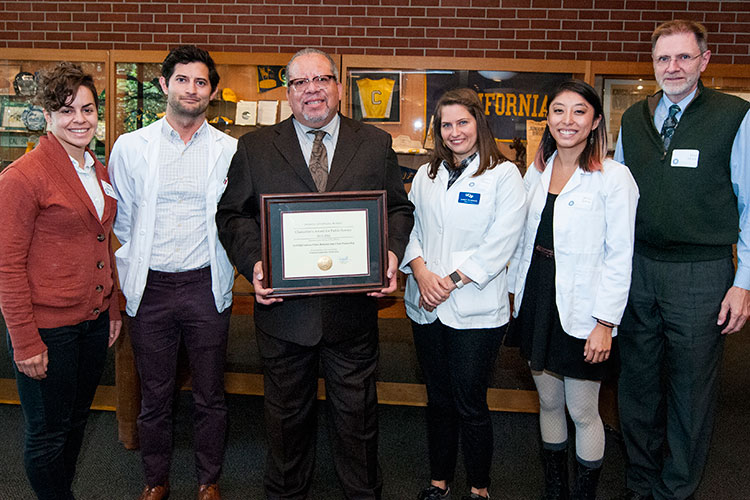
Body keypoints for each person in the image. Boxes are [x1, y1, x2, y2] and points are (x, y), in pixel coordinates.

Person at [216, 48, 414, 500]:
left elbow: (399, 209)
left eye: (322, 79)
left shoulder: (375, 143)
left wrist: (389, 252)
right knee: (285, 425)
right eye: (301, 83)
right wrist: (255, 265)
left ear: (339, 87)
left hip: (352, 314)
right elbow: (233, 216)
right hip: (284, 314)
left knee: (359, 422)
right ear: (288, 92)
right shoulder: (255, 146)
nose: (312, 90)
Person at [612, 20, 750, 500]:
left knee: (691, 392)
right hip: (639, 268)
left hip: (702, 272)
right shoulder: (633, 118)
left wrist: (744, 282)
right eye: (663, 59)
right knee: (637, 385)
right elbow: (618, 196)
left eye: (683, 57)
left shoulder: (735, 115)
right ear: (652, 65)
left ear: (704, 61)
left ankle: (676, 490)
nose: (672, 67)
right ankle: (641, 481)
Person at [109, 45, 237, 500]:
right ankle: (155, 480)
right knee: (155, 395)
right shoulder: (131, 147)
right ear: (165, 85)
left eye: (201, 82)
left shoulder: (230, 150)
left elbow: (234, 216)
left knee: (210, 394)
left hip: (205, 284)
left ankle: (208, 481)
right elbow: (122, 218)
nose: (191, 89)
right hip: (153, 287)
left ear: (212, 91)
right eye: (182, 79)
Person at [508, 80, 639, 500]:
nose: (568, 120)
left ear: (596, 120)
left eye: (579, 111)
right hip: (537, 298)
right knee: (548, 404)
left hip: (584, 307)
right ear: (548, 119)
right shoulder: (537, 169)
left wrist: (605, 323)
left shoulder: (615, 178)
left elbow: (620, 256)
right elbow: (522, 238)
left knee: (583, 411)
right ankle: (555, 491)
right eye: (559, 111)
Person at [0, 62, 122, 500]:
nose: (80, 119)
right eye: (66, 110)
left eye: (88, 109)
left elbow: (103, 241)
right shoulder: (22, 177)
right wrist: (25, 342)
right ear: (47, 116)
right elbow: (7, 267)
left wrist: (112, 306)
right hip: (47, 330)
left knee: (76, 421)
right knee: (47, 433)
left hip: (91, 324)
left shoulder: (98, 170)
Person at [400, 88, 526, 500]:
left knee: (470, 403)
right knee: (438, 400)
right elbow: (411, 230)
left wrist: (448, 282)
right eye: (446, 125)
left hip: (475, 310)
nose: (455, 132)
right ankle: (439, 482)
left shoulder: (504, 175)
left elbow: (500, 243)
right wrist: (420, 273)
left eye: (463, 123)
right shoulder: (426, 174)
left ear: (479, 124)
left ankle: (479, 488)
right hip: (426, 304)